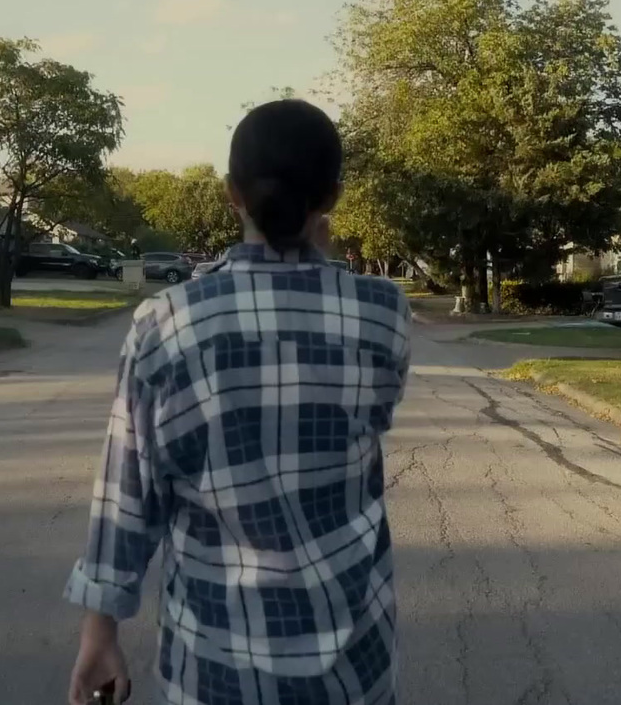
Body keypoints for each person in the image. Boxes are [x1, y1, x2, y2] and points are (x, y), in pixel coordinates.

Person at [65, 99, 411, 705]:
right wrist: (319, 265)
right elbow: (372, 414)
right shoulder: (382, 313)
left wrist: (100, 631)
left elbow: (129, 492)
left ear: (232, 194)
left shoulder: (166, 323)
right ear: (330, 197)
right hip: (354, 668)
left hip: (216, 668)